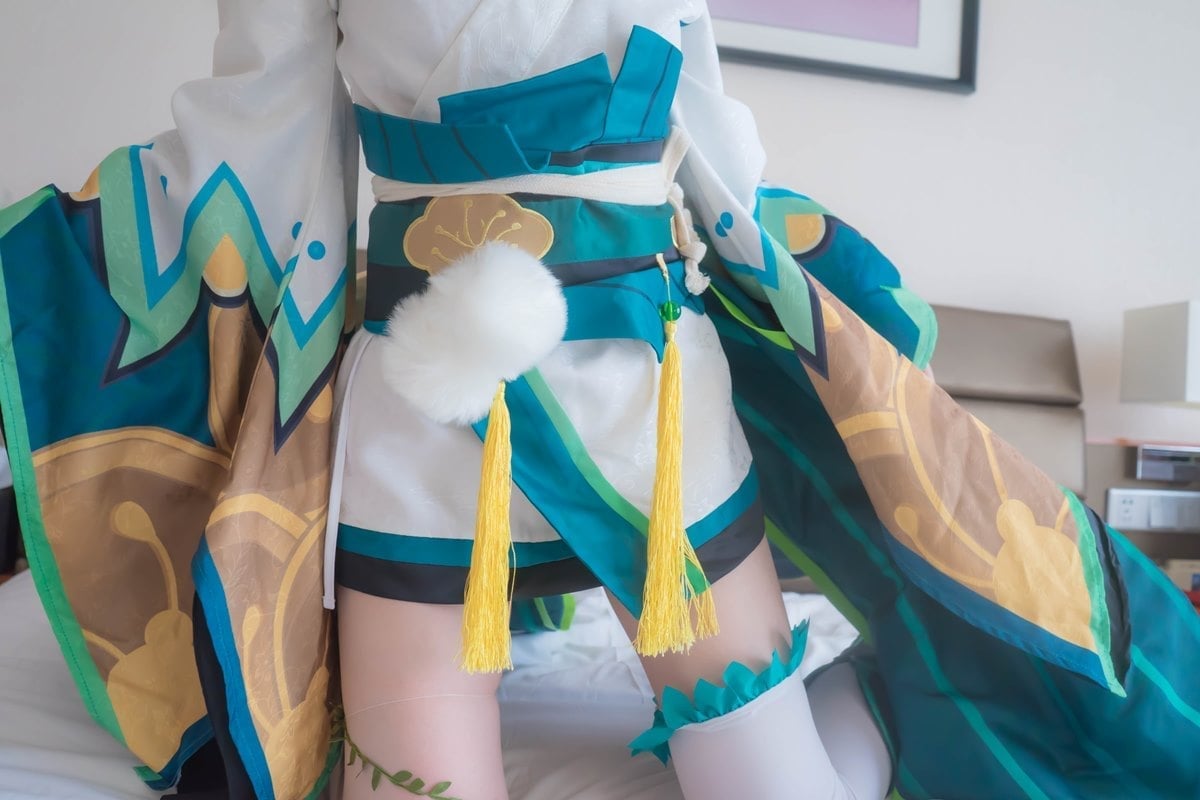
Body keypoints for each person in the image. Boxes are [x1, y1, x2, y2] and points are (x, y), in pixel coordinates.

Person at [0, 2, 1196, 799]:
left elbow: (715, 139)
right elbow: (257, 139)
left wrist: (817, 302)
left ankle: (884, 696)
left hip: (653, 407)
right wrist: (70, 271)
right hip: (420, 417)